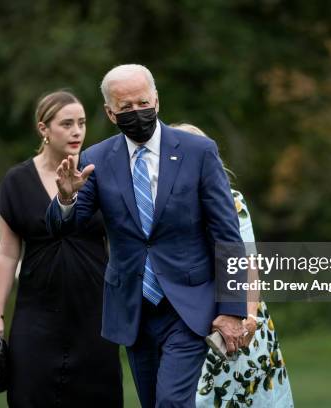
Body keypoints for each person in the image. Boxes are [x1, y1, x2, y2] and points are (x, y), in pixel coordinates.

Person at [46, 64, 248, 408]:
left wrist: (232, 309)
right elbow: (64, 228)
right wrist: (66, 198)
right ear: (110, 113)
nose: (136, 112)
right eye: (125, 108)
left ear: (156, 99)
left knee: (171, 401)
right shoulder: (96, 159)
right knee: (153, 401)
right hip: (133, 309)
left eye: (142, 103)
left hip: (189, 305)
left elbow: (227, 234)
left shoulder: (198, 152)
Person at [0, 90, 123, 407]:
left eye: (82, 123)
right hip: (37, 315)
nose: (77, 131)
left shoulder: (99, 175)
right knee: (32, 396)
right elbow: (6, 251)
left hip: (95, 312)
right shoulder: (17, 181)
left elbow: (123, 240)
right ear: (43, 129)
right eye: (66, 123)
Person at [171, 123, 294, 408]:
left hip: (232, 314)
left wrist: (247, 319)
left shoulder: (230, 201)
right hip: (186, 317)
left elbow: (248, 264)